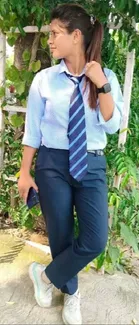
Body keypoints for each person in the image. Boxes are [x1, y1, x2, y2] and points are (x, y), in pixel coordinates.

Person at [18, 3, 124, 324]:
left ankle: (46, 275)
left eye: (55, 34)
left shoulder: (107, 78)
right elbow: (32, 130)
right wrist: (24, 173)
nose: (50, 40)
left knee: (95, 239)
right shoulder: (44, 80)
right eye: (50, 35)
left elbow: (112, 124)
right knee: (61, 235)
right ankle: (72, 293)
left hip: (91, 165)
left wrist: (100, 82)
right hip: (52, 164)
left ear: (76, 36)